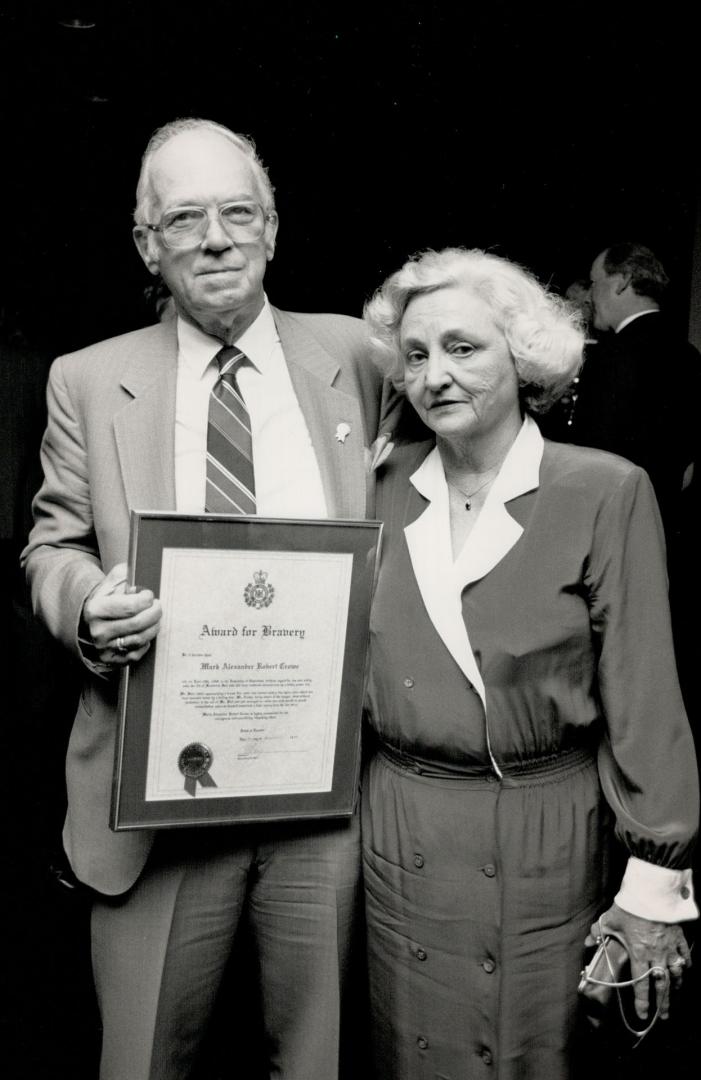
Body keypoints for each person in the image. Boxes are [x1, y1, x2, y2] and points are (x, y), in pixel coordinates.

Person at [22, 117, 388, 1080]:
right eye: (184, 218)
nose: (215, 238)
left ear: (272, 227)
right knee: (141, 1060)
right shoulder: (90, 379)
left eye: (237, 212)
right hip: (156, 796)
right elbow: (50, 544)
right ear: (147, 242)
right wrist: (87, 602)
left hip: (323, 798)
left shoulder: (360, 359)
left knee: (317, 1061)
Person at [360, 247, 698, 1078]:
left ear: (523, 354)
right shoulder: (373, 486)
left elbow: (644, 698)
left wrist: (655, 889)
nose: (435, 375)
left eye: (463, 349)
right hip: (398, 827)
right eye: (415, 355)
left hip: (545, 836)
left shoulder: (602, 490)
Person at [579, 242, 700, 544]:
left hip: (611, 529)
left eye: (594, 283)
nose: (588, 296)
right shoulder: (688, 354)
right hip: (666, 527)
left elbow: (590, 452)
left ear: (621, 282)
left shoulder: (610, 357)